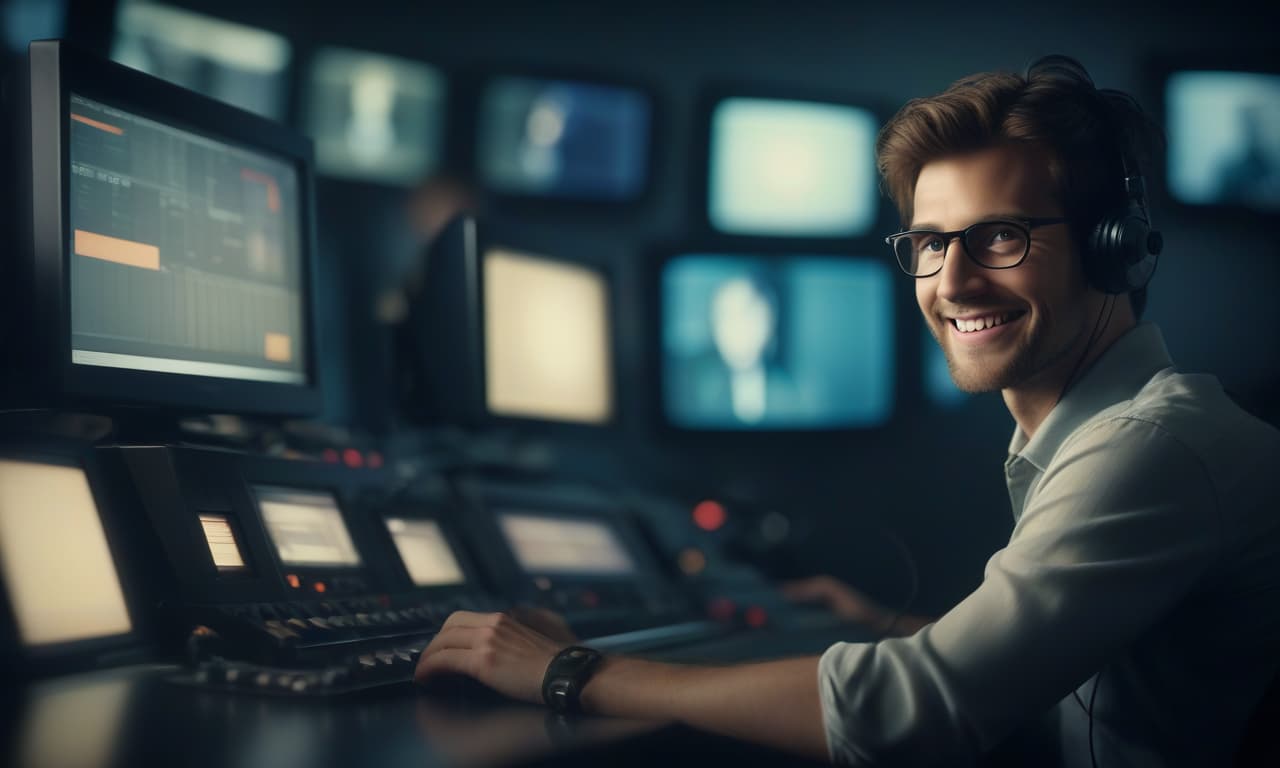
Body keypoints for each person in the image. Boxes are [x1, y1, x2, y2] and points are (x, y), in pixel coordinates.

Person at [412, 56, 1280, 766]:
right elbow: (1060, 666)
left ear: (1110, 248)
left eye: (1000, 236)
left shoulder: (1148, 446)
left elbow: (918, 713)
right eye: (931, 243)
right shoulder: (1104, 432)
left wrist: (573, 669)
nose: (952, 282)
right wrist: (895, 629)